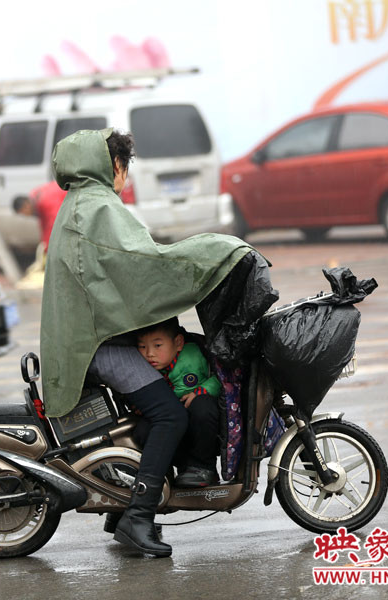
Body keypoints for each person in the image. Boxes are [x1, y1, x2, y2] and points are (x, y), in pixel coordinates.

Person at [40, 128, 253, 558]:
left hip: (93, 337)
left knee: (155, 416)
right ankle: (138, 518)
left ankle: (122, 507)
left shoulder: (80, 204)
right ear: (112, 165)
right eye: (124, 168)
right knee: (171, 416)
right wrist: (216, 252)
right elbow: (146, 263)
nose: (125, 177)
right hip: (97, 346)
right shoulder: (98, 206)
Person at [136, 318, 221, 487]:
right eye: (142, 347)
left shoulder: (195, 357)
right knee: (142, 431)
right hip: (170, 423)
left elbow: (221, 379)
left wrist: (200, 391)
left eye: (157, 346)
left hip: (201, 424)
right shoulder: (142, 367)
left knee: (202, 407)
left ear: (178, 343)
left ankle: (203, 468)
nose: (149, 353)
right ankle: (163, 473)